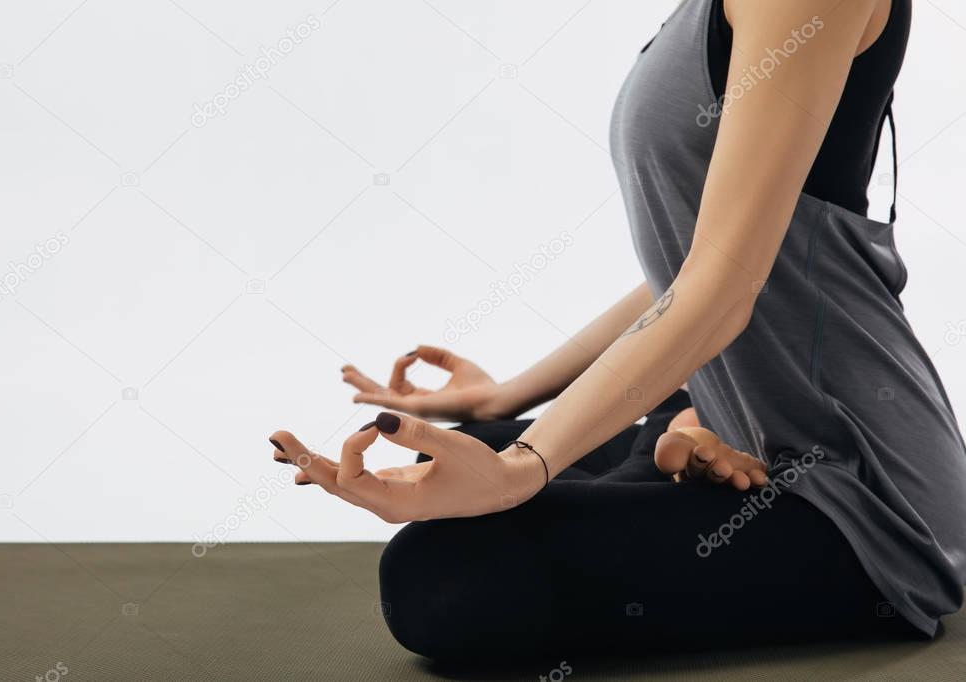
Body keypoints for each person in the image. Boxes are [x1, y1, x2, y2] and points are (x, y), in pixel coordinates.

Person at [269, 0, 966, 660]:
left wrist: (524, 467)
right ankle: (678, 452)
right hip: (735, 431)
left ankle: (674, 459)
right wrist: (502, 402)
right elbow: (694, 265)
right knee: (459, 457)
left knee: (443, 578)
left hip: (858, 493)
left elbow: (721, 287)